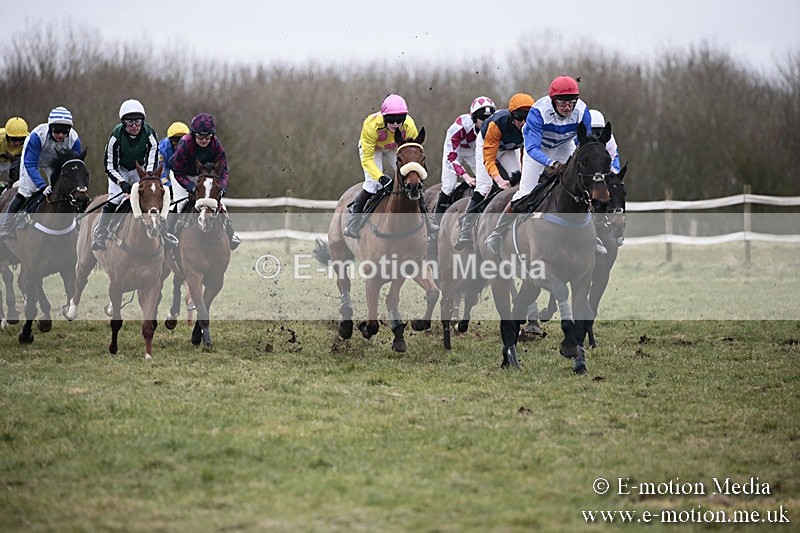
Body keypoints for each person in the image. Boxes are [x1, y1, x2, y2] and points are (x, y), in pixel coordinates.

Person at [484, 76, 592, 255]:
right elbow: (532, 148)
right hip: (537, 149)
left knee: (580, 187)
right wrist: (552, 163)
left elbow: (585, 142)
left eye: (571, 102)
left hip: (564, 146)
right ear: (552, 101)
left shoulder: (582, 110)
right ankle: (497, 233)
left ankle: (592, 236)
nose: (568, 107)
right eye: (562, 103)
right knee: (525, 192)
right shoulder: (538, 112)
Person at [343, 93, 433, 238]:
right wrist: (380, 177)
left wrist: (418, 168)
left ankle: (428, 220)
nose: (396, 124)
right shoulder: (371, 125)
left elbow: (414, 150)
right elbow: (367, 159)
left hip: (394, 148)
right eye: (392, 121)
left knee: (412, 178)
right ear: (384, 117)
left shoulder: (409, 124)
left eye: (399, 121)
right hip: (373, 150)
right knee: (373, 184)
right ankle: (354, 221)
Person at [453, 93, 534, 251]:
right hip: (488, 146)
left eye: (527, 118)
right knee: (484, 186)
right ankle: (466, 227)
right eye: (519, 117)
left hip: (509, 149)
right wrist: (499, 180)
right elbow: (489, 159)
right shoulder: (497, 124)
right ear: (512, 116)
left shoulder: (532, 125)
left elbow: (527, 153)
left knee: (522, 182)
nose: (523, 122)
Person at [92, 99, 165, 250]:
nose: (134, 126)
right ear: (123, 123)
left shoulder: (150, 134)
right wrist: (122, 183)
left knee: (153, 195)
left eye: (137, 122)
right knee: (116, 198)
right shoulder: (115, 137)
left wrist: (147, 177)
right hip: (120, 170)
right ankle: (101, 232)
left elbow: (153, 157)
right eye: (129, 123)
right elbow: (109, 166)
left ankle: (165, 232)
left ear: (142, 122)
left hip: (143, 170)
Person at [0, 107, 82, 240]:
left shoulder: (74, 140)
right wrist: (42, 186)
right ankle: (5, 225)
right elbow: (31, 165)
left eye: (65, 132)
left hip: (54, 161)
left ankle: (76, 223)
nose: (61, 135)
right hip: (33, 160)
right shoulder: (37, 137)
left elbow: (75, 167)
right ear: (50, 128)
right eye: (57, 131)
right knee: (26, 190)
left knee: (62, 190)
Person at [171, 112, 240, 250]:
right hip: (182, 175)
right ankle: (170, 236)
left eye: (208, 137)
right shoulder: (185, 144)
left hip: (204, 176)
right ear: (193, 134)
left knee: (219, 205)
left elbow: (224, 170)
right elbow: (178, 172)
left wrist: (223, 187)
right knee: (180, 204)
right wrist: (190, 187)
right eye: (200, 136)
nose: (204, 140)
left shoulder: (216, 144)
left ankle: (230, 234)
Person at [431, 96, 496, 228]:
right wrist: (466, 176)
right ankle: (435, 225)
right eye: (482, 119)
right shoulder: (459, 127)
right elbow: (451, 157)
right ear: (473, 118)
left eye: (488, 119)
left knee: (487, 182)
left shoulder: (492, 127)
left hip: (473, 150)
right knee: (448, 186)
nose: (486, 123)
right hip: (455, 152)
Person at [158, 121, 190, 210]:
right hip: (170, 175)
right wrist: (169, 186)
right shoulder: (162, 149)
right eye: (175, 141)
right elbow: (162, 174)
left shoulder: (192, 146)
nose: (178, 145)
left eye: (181, 141)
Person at [0, 117, 30, 186]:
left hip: (14, 163)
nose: (17, 143)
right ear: (7, 136)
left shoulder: (30, 141)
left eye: (21, 139)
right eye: (14, 139)